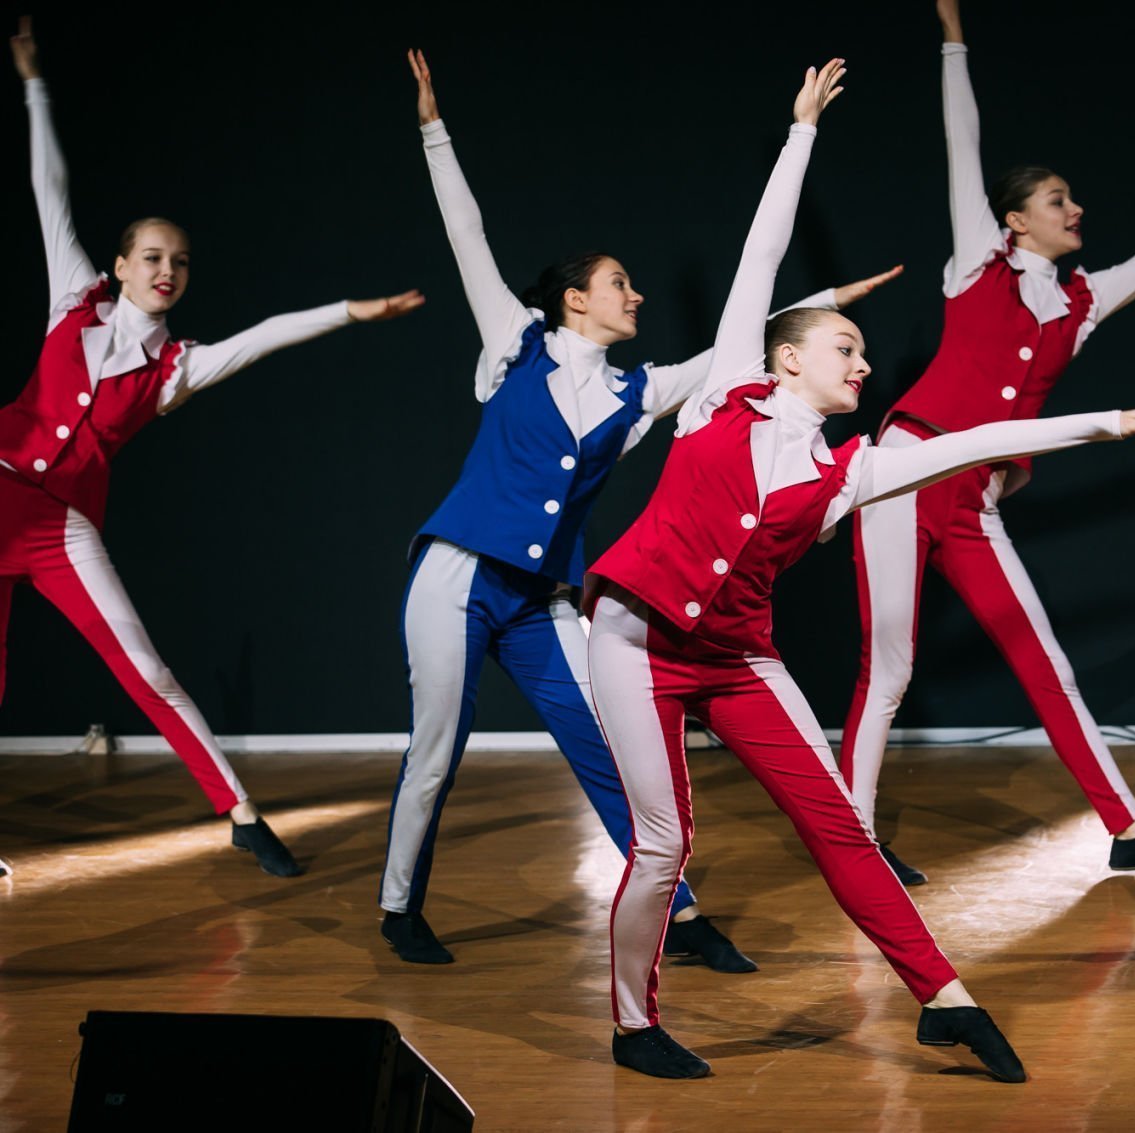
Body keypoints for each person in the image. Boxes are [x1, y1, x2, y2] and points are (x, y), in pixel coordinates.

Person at [585, 57, 1135, 1081]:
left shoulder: (850, 469)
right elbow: (762, 246)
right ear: (787, 358)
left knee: (839, 828)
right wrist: (801, 133)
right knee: (662, 844)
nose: (864, 365)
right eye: (845, 348)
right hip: (636, 639)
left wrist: (1102, 424)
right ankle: (633, 1023)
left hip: (736, 656)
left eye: (865, 354)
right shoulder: (725, 389)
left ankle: (942, 996)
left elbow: (976, 439)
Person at [381, 51, 900, 967]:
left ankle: (682, 916)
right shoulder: (516, 342)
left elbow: (736, 342)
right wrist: (433, 128)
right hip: (458, 572)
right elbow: (467, 232)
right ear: (575, 298)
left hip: (543, 598)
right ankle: (398, 907)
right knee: (437, 745)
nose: (637, 295)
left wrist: (820, 306)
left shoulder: (638, 392)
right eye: (620, 284)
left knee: (608, 746)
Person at [839, 0, 1135, 885]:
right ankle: (852, 839)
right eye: (1059, 200)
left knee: (1045, 660)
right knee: (890, 665)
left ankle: (1128, 827)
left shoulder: (1080, 305)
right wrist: (954, 40)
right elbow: (962, 144)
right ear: (1015, 221)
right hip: (902, 472)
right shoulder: (977, 262)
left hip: (974, 497)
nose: (1076, 207)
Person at [1, 17, 422, 877]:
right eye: (153, 257)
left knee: (144, 666)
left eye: (182, 262)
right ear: (121, 265)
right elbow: (50, 191)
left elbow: (265, 335)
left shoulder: (177, 368)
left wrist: (353, 311)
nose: (168, 270)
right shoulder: (73, 300)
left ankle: (240, 810)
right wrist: (35, 83)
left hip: (62, 525)